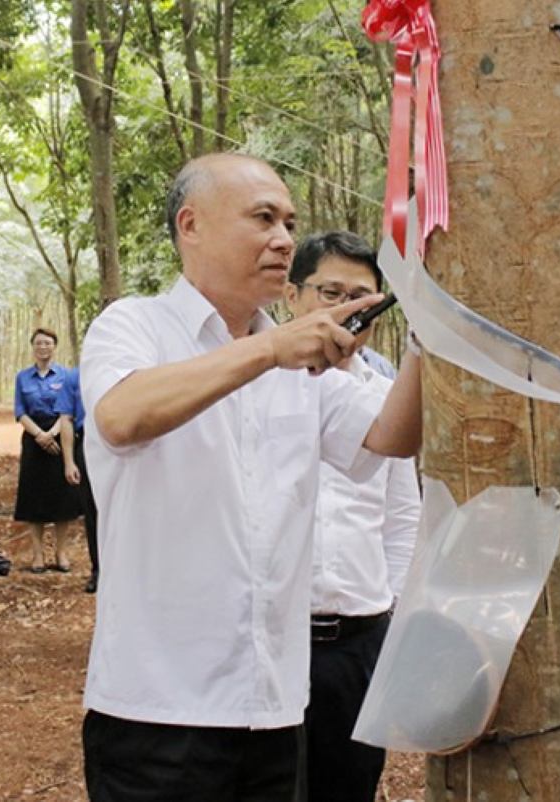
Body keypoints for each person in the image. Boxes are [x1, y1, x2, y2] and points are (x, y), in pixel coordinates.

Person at [78, 153, 422, 802]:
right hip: (157, 715)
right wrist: (269, 350)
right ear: (192, 225)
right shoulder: (134, 326)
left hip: (274, 709)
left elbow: (392, 436)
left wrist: (431, 326)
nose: (284, 239)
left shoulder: (303, 363)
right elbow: (123, 415)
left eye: (290, 223)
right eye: (263, 218)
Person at [284, 232, 422, 802]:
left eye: (362, 297)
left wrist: (390, 614)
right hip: (277, 639)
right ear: (293, 297)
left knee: (350, 784)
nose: (346, 307)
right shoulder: (262, 385)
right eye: (329, 292)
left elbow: (402, 520)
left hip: (358, 642)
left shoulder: (392, 400)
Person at [13, 328, 82, 573]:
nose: (43, 347)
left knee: (62, 497)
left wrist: (53, 433)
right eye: (39, 343)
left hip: (60, 433)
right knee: (34, 497)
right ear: (33, 347)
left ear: (55, 346)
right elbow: (20, 412)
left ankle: (61, 552)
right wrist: (39, 435)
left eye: (48, 343)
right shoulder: (22, 377)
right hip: (33, 437)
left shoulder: (66, 375)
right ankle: (38, 554)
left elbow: (69, 410)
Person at [58, 366, 100, 593]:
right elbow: (66, 419)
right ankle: (98, 570)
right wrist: (69, 461)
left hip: (123, 440)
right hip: (88, 441)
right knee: (92, 512)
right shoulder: (75, 377)